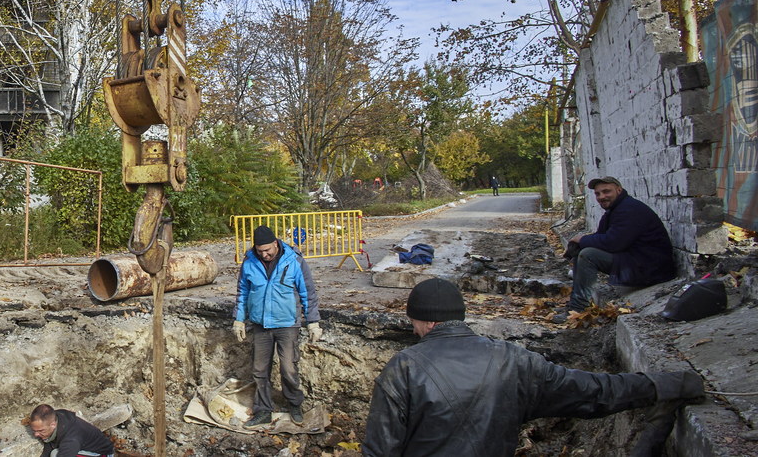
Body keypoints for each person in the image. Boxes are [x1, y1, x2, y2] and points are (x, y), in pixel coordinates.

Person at [363, 278, 705, 456]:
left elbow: (381, 449)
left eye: (413, 322)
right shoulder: (512, 358)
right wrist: (662, 385)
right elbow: (592, 393)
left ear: (420, 321)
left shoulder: (403, 367)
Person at [233, 225, 321, 427]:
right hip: (261, 324)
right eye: (260, 251)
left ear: (275, 243)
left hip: (287, 324)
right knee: (259, 370)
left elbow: (308, 292)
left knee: (289, 367)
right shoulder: (249, 262)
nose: (264, 254)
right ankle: (264, 409)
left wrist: (313, 321)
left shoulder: (294, 260)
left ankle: (294, 404)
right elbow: (242, 293)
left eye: (268, 250)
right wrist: (239, 319)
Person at [563, 176, 675, 316]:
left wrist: (582, 239)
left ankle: (578, 310)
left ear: (619, 190)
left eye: (606, 191)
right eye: (598, 194)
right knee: (584, 250)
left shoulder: (629, 210)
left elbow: (612, 243)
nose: (602, 196)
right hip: (636, 260)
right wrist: (577, 247)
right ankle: (576, 304)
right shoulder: (615, 209)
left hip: (651, 269)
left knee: (588, 255)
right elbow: (602, 238)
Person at [27, 404, 114, 457]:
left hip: (101, 454)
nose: (36, 434)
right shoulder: (56, 419)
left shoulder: (71, 439)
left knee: (55, 454)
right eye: (34, 430)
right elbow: (50, 445)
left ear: (53, 424)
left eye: (41, 431)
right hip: (81, 447)